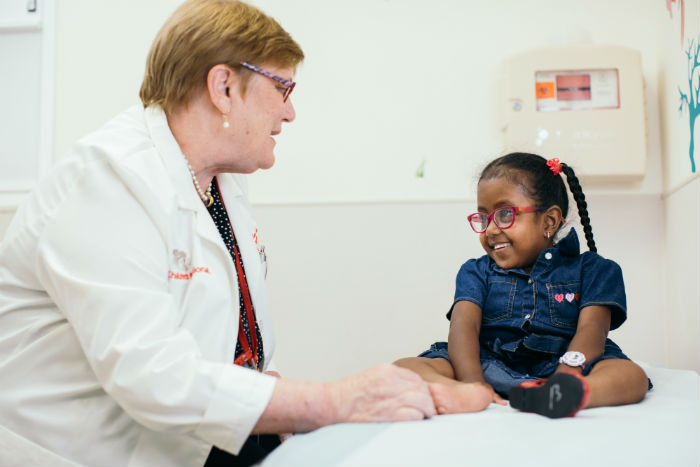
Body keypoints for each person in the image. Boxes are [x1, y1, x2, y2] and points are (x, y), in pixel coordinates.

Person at [0, 1, 455, 466]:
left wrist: (282, 405)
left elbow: (230, 343)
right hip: (88, 452)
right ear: (223, 86)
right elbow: (154, 379)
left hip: (193, 439)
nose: (291, 110)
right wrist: (335, 401)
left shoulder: (220, 184)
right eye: (283, 87)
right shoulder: (106, 181)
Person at [395, 152, 650, 418]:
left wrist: (567, 374)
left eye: (505, 215)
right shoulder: (476, 271)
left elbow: (591, 331)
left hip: (568, 363)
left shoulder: (595, 270)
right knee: (404, 368)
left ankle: (571, 393)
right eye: (483, 218)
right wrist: (473, 382)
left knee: (632, 377)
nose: (491, 230)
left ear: (549, 221)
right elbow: (463, 328)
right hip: (487, 363)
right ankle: (463, 392)